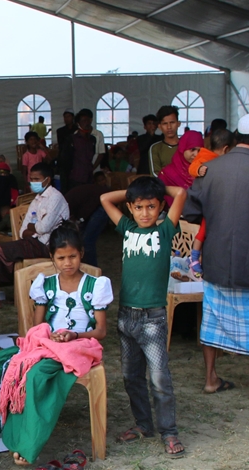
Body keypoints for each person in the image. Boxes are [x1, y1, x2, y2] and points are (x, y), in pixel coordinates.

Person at [0, 223, 111, 466]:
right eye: (61, 257)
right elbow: (37, 325)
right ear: (51, 257)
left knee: (36, 376)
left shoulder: (96, 285)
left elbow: (101, 331)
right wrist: (49, 338)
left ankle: (28, 443)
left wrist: (74, 336)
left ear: (81, 254)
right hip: (48, 344)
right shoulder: (46, 284)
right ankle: (5, 430)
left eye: (72, 256)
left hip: (79, 345)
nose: (67, 263)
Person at [183, 113, 249, 404]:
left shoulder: (209, 169)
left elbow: (191, 212)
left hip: (215, 256)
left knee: (212, 317)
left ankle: (211, 378)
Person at [100, 176, 186, 457]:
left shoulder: (165, 230)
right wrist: (136, 192)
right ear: (130, 208)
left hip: (153, 317)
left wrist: (154, 189)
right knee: (131, 376)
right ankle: (143, 424)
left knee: (159, 378)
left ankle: (169, 432)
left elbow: (181, 192)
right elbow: (104, 199)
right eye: (138, 207)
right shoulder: (126, 228)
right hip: (127, 316)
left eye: (151, 206)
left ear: (161, 206)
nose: (145, 213)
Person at [0, 163, 69, 310]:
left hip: (47, 245)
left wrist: (33, 228)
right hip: (33, 241)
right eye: (31, 178)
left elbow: (44, 228)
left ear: (47, 180)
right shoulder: (37, 199)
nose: (33, 182)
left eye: (37, 179)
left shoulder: (55, 198)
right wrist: (34, 229)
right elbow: (24, 229)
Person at [186, 128, 234, 276]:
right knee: (204, 230)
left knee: (205, 230)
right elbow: (192, 167)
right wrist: (198, 170)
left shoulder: (211, 156)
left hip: (210, 203)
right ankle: (194, 257)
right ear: (226, 149)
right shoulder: (207, 157)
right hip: (209, 204)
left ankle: (195, 257)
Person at [64, 171, 110, 267]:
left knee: (87, 241)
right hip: (96, 206)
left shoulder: (65, 205)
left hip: (101, 206)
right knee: (83, 239)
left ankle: (92, 270)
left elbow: (87, 209)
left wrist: (81, 219)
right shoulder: (66, 203)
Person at [158, 130, 202, 205]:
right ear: (182, 148)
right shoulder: (167, 174)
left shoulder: (203, 169)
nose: (196, 154)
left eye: (199, 150)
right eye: (192, 149)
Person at [68, 109, 104, 188]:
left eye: (88, 120)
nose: (86, 123)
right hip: (77, 175)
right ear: (78, 123)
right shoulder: (73, 138)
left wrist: (92, 168)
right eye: (84, 121)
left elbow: (99, 153)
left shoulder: (93, 138)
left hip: (90, 174)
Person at [148, 106, 181, 177]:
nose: (169, 127)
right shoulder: (155, 148)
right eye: (165, 123)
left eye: (172, 122)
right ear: (159, 126)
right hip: (165, 187)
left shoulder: (187, 146)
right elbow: (155, 174)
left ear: (178, 124)